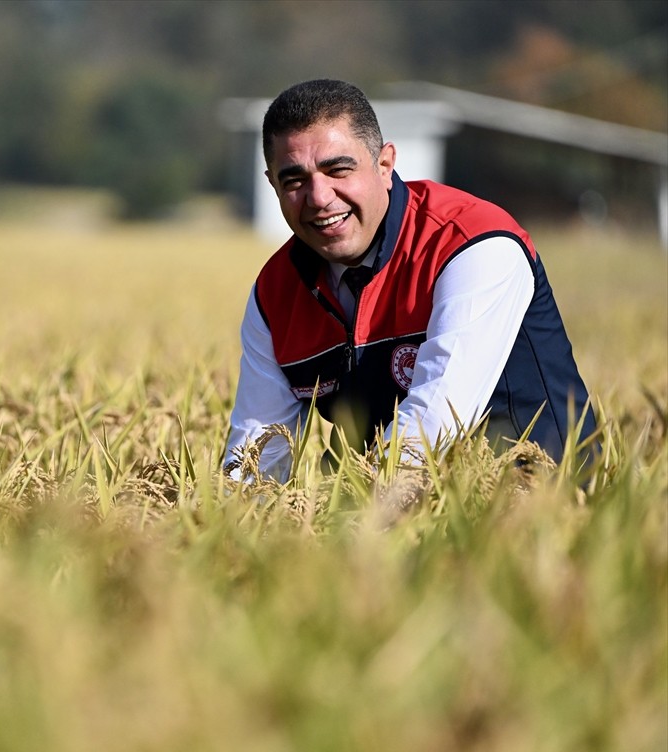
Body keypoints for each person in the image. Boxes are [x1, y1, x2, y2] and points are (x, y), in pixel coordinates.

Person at [224, 78, 595, 481]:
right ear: (273, 185)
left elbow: (433, 424)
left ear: (385, 165)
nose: (319, 197)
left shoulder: (471, 242)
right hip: (388, 520)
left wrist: (352, 524)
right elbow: (255, 455)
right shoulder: (274, 294)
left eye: (338, 170)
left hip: (543, 509)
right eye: (294, 181)